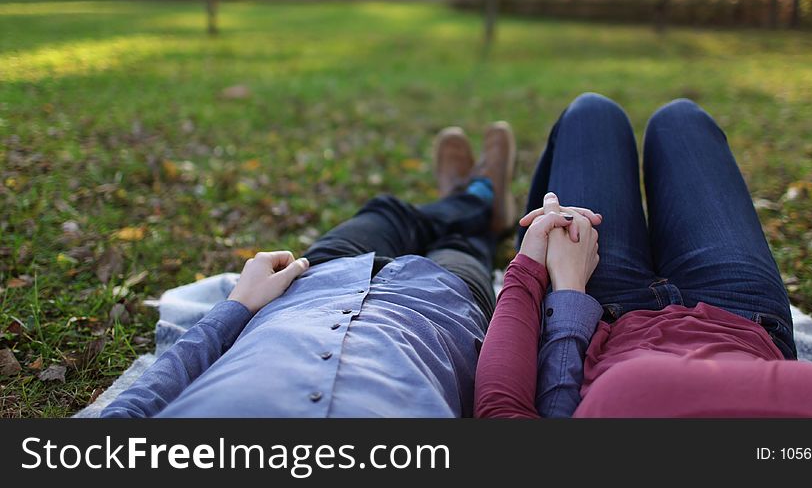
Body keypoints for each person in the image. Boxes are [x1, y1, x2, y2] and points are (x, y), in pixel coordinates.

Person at [475, 94, 812, 418]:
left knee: (591, 114)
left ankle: (491, 207)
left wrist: (536, 270)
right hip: (744, 320)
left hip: (599, 313)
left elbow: (503, 408)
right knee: (682, 120)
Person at [101, 123, 517, 417]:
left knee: (388, 213)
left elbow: (137, 405)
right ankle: (479, 201)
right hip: (439, 317)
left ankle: (471, 199)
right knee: (463, 245)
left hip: (313, 288)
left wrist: (240, 305)